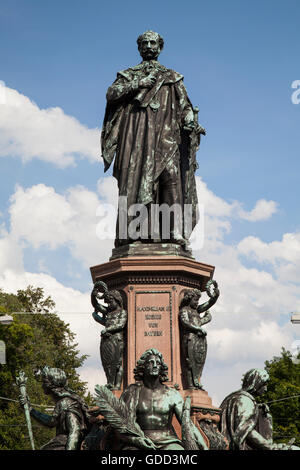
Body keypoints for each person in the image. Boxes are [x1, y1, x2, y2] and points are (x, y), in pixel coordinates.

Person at [101, 30, 205, 246]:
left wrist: (190, 121)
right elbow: (112, 94)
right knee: (137, 183)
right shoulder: (129, 74)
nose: (148, 46)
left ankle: (174, 231)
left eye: (153, 43)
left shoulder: (172, 77)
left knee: (172, 180)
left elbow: (185, 105)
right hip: (137, 137)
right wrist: (138, 84)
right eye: (144, 43)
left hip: (167, 138)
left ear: (160, 47)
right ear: (139, 48)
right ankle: (134, 233)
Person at [118, 348, 208, 450]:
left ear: (162, 368)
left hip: (168, 441)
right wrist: (137, 440)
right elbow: (122, 426)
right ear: (143, 367)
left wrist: (204, 445)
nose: (155, 365)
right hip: (139, 441)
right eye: (150, 363)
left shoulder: (172, 394)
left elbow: (187, 423)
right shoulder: (131, 392)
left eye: (158, 363)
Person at [220, 368, 299, 450]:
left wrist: (257, 408)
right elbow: (246, 431)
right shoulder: (246, 400)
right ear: (256, 383)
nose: (266, 389)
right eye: (264, 384)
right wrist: (271, 447)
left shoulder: (232, 398)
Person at [19, 366, 90, 450]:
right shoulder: (63, 402)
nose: (42, 386)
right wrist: (30, 409)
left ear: (50, 384)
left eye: (44, 382)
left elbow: (75, 431)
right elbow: (51, 421)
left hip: (66, 444)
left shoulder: (67, 402)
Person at [179, 281, 219, 389]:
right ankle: (190, 385)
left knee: (197, 362)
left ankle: (196, 381)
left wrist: (215, 296)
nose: (197, 303)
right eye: (195, 300)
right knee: (189, 362)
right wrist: (197, 328)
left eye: (198, 300)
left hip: (198, 339)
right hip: (189, 339)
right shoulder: (184, 310)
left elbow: (208, 305)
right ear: (189, 299)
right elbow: (185, 322)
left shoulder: (196, 311)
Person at [91, 281, 127, 390]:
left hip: (117, 340)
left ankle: (117, 385)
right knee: (107, 362)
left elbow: (121, 325)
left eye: (110, 301)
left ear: (117, 300)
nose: (109, 304)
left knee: (117, 363)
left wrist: (108, 329)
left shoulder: (122, 312)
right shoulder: (109, 312)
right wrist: (93, 295)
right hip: (107, 340)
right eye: (107, 302)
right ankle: (110, 382)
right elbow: (96, 305)